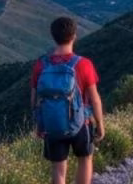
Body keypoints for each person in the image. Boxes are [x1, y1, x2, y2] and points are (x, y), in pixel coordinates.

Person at [31, 17, 105, 184]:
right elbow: (95, 99)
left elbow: (34, 99)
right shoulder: (84, 64)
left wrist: (39, 123)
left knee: (58, 169)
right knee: (85, 159)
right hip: (81, 123)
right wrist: (100, 124)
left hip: (52, 124)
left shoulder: (41, 65)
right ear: (74, 36)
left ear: (53, 36)